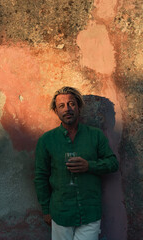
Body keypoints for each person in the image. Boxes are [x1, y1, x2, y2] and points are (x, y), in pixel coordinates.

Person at [34, 86, 119, 240]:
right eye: (61, 106)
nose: (67, 109)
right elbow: (41, 176)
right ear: (56, 111)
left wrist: (90, 166)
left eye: (71, 104)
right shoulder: (46, 140)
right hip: (61, 213)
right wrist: (46, 210)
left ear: (78, 107)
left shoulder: (95, 135)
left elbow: (113, 163)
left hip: (90, 213)